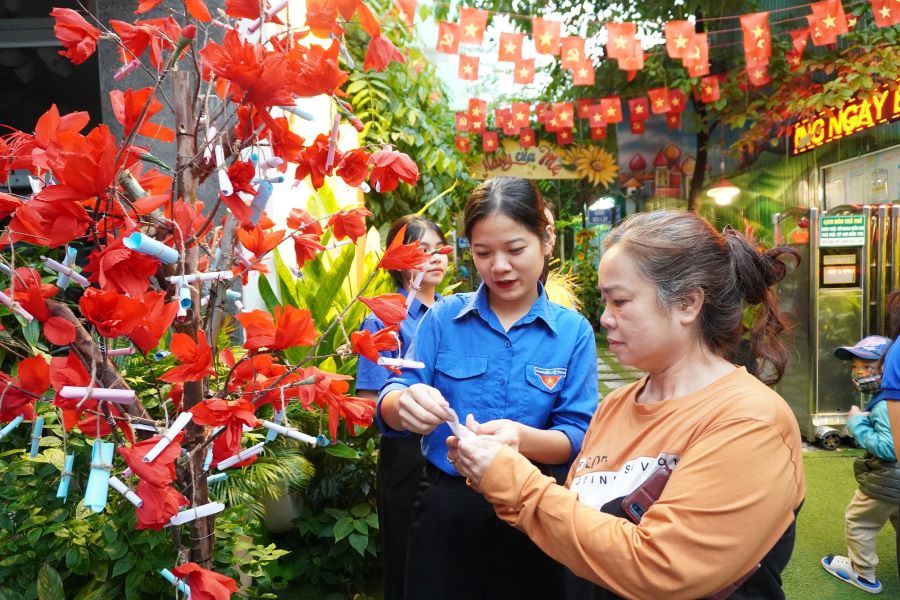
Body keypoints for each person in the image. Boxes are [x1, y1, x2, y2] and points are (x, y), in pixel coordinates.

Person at [449, 210, 806, 599]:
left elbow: (660, 568)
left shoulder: (749, 420)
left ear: (687, 303)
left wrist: (515, 481)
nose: (604, 319)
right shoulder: (617, 404)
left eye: (620, 301)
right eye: (604, 301)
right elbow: (578, 523)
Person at [377, 176, 598, 599]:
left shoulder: (573, 333)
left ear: (546, 240)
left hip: (532, 509)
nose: (499, 266)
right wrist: (403, 402)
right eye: (483, 253)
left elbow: (577, 435)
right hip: (447, 509)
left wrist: (520, 438)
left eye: (515, 250)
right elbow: (397, 389)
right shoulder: (443, 318)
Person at [355, 215, 449, 600]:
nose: (434, 257)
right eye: (421, 250)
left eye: (439, 248)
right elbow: (368, 402)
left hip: (449, 451)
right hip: (405, 454)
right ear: (397, 259)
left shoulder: (454, 313)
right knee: (406, 557)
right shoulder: (381, 317)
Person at [821, 334, 897, 594]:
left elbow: (890, 449)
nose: (859, 373)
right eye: (855, 366)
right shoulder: (891, 399)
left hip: (887, 481)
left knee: (859, 520)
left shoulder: (885, 405)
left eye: (869, 366)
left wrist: (857, 424)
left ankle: (863, 574)